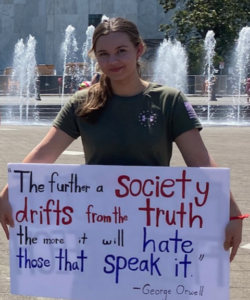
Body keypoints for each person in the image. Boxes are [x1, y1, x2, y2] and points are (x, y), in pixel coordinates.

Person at [0, 18, 246, 263]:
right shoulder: (82, 102)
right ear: (95, 57)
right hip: (96, 223)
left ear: (138, 50)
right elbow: (44, 153)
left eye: (121, 51)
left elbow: (200, 161)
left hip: (155, 227)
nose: (113, 61)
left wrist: (233, 213)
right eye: (103, 54)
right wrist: (8, 192)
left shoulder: (169, 101)